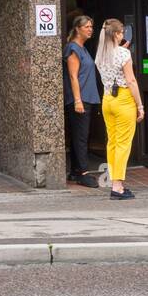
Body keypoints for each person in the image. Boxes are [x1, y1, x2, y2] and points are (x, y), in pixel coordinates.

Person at [95, 18, 143, 200]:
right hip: (123, 99)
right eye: (121, 32)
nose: (123, 34)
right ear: (116, 34)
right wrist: (140, 105)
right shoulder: (123, 54)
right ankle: (117, 186)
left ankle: (115, 182)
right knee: (123, 143)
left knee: (112, 142)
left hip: (107, 99)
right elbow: (130, 80)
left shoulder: (100, 55)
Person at [63, 15, 100, 188]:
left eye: (91, 26)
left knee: (79, 135)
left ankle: (75, 170)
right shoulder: (73, 49)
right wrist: (77, 100)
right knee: (81, 137)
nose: (90, 29)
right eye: (87, 26)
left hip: (86, 97)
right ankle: (83, 173)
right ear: (77, 29)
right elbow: (73, 76)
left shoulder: (83, 48)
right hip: (80, 99)